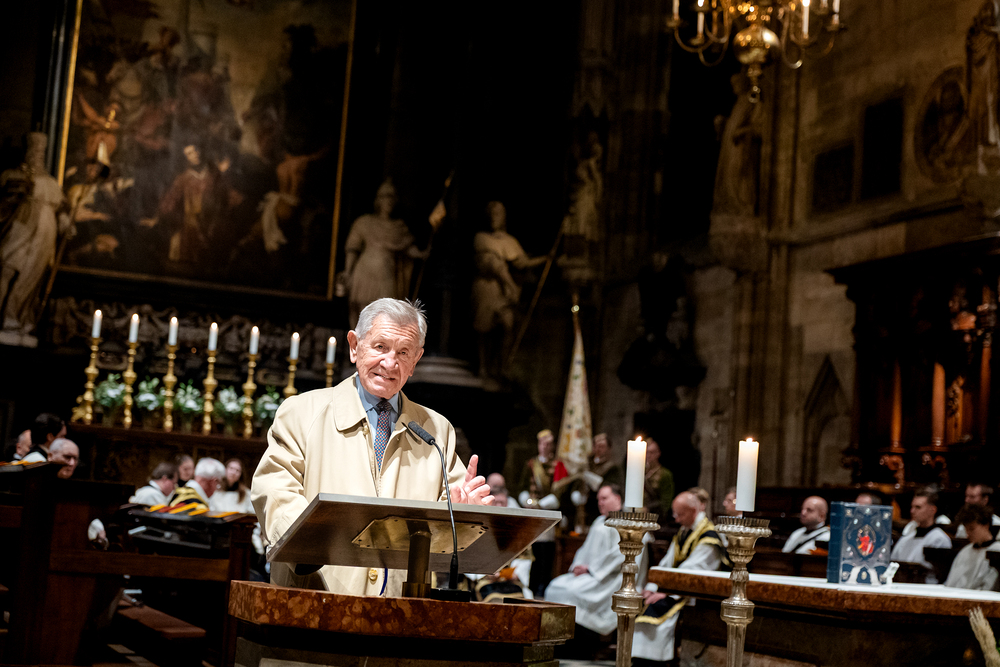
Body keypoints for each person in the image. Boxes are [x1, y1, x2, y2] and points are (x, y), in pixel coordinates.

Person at [252, 298, 493, 597]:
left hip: (402, 605)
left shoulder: (437, 429)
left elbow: (450, 514)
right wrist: (307, 545)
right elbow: (274, 488)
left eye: (403, 352)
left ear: (416, 360)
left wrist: (466, 514)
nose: (390, 363)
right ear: (355, 346)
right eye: (380, 347)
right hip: (314, 596)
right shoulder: (302, 413)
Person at [545, 484, 649, 654]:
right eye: (599, 499)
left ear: (617, 499)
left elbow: (620, 555)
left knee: (573, 593)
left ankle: (583, 644)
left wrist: (591, 569)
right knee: (555, 586)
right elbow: (584, 550)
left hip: (611, 578)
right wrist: (578, 566)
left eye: (604, 498)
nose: (600, 503)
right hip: (593, 575)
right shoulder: (599, 521)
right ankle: (561, 641)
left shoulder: (628, 524)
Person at [633, 491, 728, 665]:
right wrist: (652, 587)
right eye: (675, 514)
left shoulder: (709, 537)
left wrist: (665, 592)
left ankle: (655, 662)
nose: (676, 519)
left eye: (680, 514)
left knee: (655, 612)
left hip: (693, 594)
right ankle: (641, 660)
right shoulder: (684, 531)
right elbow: (667, 562)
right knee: (642, 605)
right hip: (675, 588)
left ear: (694, 510)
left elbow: (693, 571)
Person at [0, 132, 70, 334]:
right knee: (7, 268)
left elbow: (61, 209)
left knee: (33, 274)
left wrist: (65, 222)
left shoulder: (51, 183)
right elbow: (6, 203)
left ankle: (17, 316)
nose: (36, 155)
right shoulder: (12, 175)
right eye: (33, 151)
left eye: (40, 152)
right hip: (21, 227)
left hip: (45, 230)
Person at [470, 201, 545, 383]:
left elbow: (522, 262)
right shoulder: (481, 238)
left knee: (507, 324)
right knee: (484, 329)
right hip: (486, 287)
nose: (493, 217)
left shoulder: (510, 241)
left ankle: (501, 366)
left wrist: (546, 258)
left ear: (504, 217)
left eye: (497, 214)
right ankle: (483, 366)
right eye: (491, 213)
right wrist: (511, 285)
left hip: (501, 292)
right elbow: (492, 264)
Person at [339, 181, 427, 327]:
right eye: (386, 197)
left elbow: (407, 248)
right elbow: (353, 248)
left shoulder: (398, 226)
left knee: (386, 313)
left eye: (392, 197)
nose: (389, 201)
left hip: (386, 274)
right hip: (365, 273)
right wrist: (348, 272)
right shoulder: (365, 222)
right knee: (362, 313)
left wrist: (421, 254)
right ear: (378, 200)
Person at [518, 428, 568, 596]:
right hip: (531, 512)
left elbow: (559, 491)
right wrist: (526, 500)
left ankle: (542, 587)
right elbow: (522, 486)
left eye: (548, 444)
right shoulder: (531, 464)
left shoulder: (558, 465)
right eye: (542, 443)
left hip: (547, 513)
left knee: (546, 553)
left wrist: (543, 503)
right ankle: (531, 585)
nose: (545, 447)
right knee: (532, 551)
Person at [891, 487, 952, 583]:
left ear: (932, 510)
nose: (912, 511)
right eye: (912, 507)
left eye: (918, 507)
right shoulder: (907, 538)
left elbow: (937, 575)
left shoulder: (939, 539)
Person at [945, 504, 1000, 590]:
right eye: (966, 529)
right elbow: (951, 583)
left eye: (972, 529)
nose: (968, 534)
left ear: (986, 525)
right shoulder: (965, 551)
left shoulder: (996, 551)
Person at [643, 437, 674, 517]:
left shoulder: (664, 474)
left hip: (655, 515)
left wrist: (648, 509)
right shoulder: (640, 472)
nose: (648, 456)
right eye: (646, 452)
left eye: (651, 452)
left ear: (658, 453)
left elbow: (665, 501)